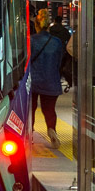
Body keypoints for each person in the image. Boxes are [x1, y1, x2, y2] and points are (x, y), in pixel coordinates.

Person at [28, 11, 67, 148]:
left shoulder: (31, 40)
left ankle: (30, 134)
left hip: (33, 81)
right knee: (49, 109)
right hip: (51, 80)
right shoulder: (56, 42)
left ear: (37, 25)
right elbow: (59, 62)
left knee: (31, 108)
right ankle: (52, 130)